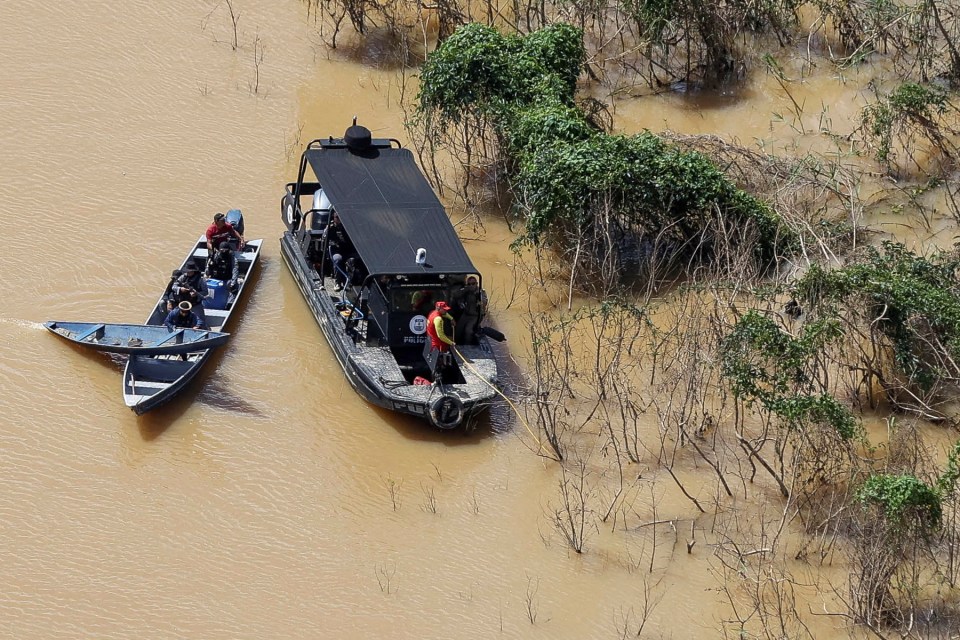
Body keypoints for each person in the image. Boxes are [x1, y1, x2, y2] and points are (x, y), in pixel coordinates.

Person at [452, 276, 488, 345]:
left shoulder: (481, 292)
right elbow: (456, 295)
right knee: (458, 329)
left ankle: (467, 345)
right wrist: (465, 290)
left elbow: (485, 301)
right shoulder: (466, 291)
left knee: (468, 331)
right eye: (469, 284)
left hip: (475, 316)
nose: (471, 286)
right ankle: (456, 343)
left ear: (476, 283)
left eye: (473, 283)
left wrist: (479, 299)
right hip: (466, 314)